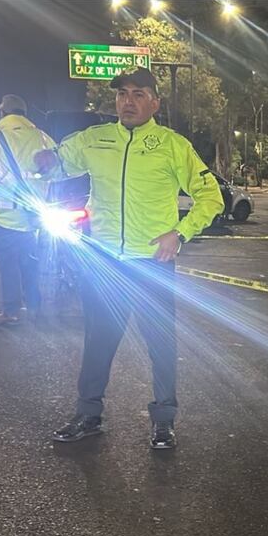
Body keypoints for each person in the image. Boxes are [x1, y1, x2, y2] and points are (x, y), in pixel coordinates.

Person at [35, 67, 224, 449]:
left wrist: (181, 233)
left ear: (155, 102)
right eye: (122, 94)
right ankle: (88, 414)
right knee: (99, 340)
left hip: (152, 264)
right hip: (105, 263)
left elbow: (211, 197)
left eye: (138, 94)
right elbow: (53, 165)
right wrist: (41, 160)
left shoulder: (173, 145)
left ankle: (164, 421)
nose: (128, 101)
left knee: (160, 343)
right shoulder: (95, 139)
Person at [0, 94, 55, 326]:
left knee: (8, 264)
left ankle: (11, 311)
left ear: (2, 114)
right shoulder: (44, 138)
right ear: (25, 114)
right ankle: (34, 306)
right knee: (31, 261)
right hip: (33, 216)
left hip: (0, 216)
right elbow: (56, 171)